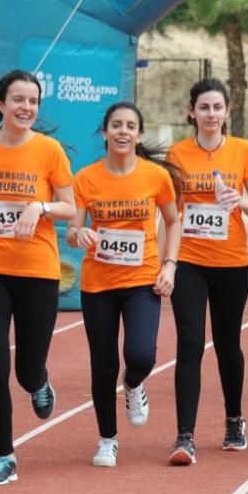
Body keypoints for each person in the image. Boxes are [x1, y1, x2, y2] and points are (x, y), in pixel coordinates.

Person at [0, 70, 75, 486]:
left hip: (38, 272)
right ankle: (5, 455)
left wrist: (39, 208)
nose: (27, 108)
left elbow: (70, 208)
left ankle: (39, 381)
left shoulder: (49, 150)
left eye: (33, 101)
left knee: (25, 370)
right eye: (19, 100)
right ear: (0, 104)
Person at [66, 102, 182, 468]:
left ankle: (133, 384)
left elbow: (173, 221)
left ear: (139, 134)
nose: (123, 131)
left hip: (141, 279)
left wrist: (170, 266)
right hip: (97, 283)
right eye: (116, 125)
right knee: (102, 364)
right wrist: (79, 233)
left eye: (130, 126)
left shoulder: (155, 176)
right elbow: (71, 231)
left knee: (141, 355)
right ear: (105, 132)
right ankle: (107, 439)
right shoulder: (85, 178)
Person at [164, 78, 248, 465]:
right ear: (191, 111)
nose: (211, 115)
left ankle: (234, 418)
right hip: (190, 260)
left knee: (227, 345)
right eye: (203, 107)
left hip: (231, 263)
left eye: (217, 108)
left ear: (227, 111)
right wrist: (166, 261)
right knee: (189, 343)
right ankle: (184, 435)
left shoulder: (242, 150)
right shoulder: (177, 153)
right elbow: (170, 213)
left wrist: (239, 200)